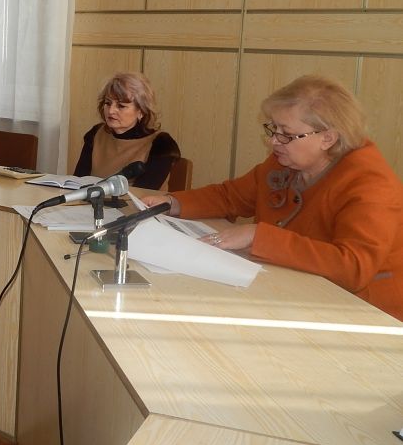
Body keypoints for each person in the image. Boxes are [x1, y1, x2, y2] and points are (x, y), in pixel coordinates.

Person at [141, 75, 403, 321]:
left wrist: (259, 237)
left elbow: (353, 268)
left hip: (365, 312)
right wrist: (173, 203)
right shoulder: (287, 161)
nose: (273, 141)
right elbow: (231, 196)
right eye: (273, 128)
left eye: (286, 134)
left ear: (327, 138)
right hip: (297, 290)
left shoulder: (370, 184)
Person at [73, 72, 180, 189]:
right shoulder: (96, 134)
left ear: (141, 111)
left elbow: (144, 192)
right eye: (108, 103)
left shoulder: (161, 144)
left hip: (137, 201)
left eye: (121, 106)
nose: (111, 111)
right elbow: (78, 182)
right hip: (91, 200)